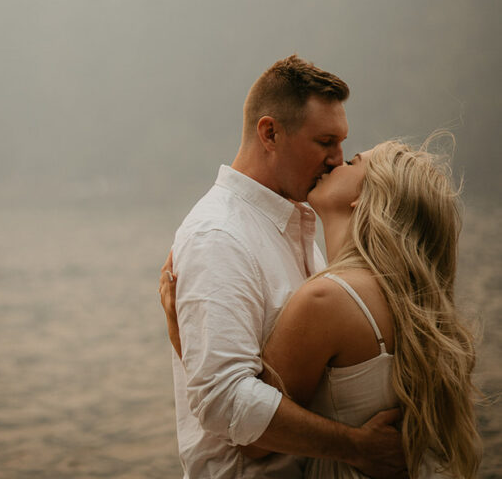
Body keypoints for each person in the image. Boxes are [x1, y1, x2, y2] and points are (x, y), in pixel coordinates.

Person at [161, 139, 480, 479]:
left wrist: (180, 330)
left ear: (364, 197)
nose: (337, 162)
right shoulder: (403, 297)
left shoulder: (327, 300)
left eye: (353, 162)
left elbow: (250, 437)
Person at [161, 55, 407, 479]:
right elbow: (223, 398)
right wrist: (356, 447)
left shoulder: (296, 224)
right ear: (270, 133)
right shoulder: (218, 236)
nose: (337, 158)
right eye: (325, 142)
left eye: (342, 143)